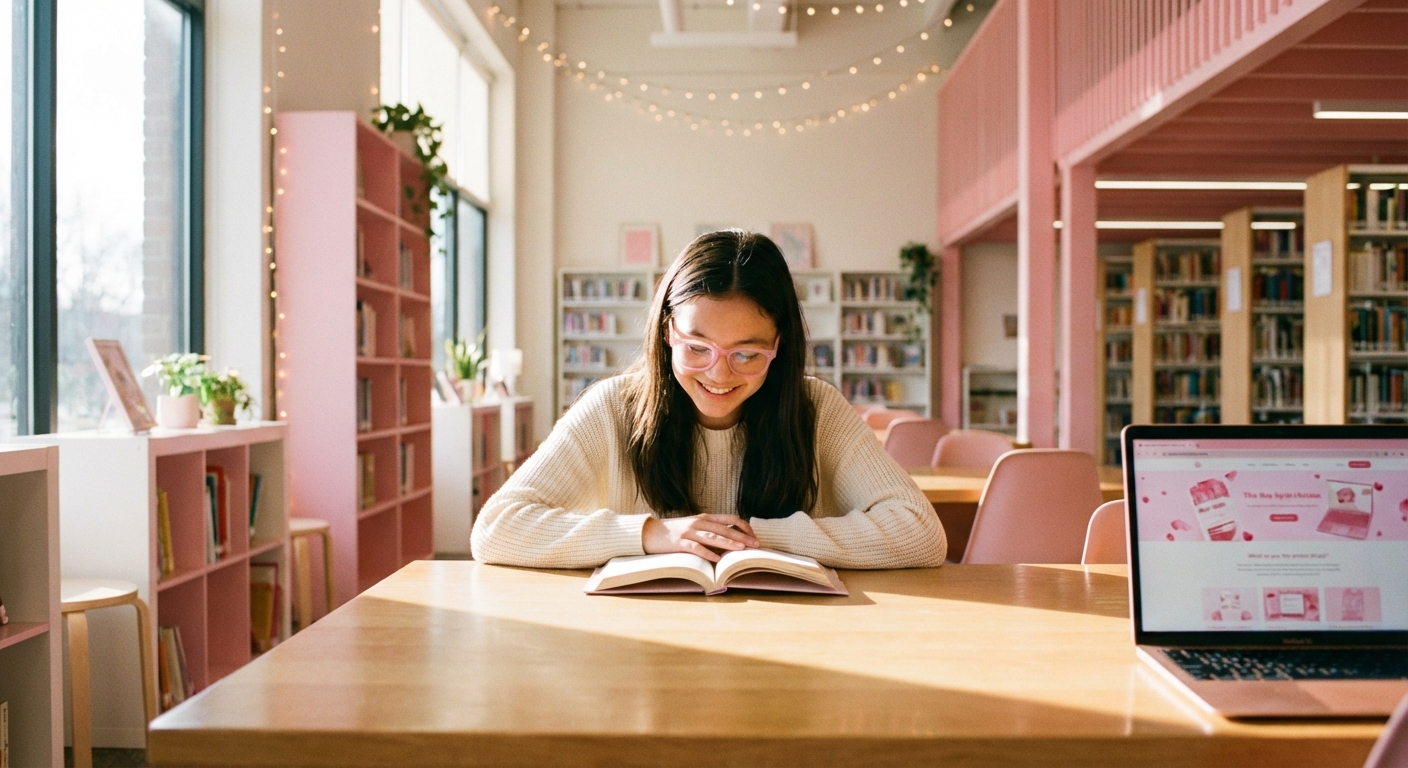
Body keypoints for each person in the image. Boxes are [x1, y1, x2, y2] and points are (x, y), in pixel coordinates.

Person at [471, 230, 946, 569]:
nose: (719, 374)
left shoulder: (816, 409)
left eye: (747, 354)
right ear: (667, 332)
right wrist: (653, 533)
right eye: (697, 348)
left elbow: (921, 534)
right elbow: (496, 528)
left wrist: (753, 537)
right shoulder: (611, 407)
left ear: (779, 346)